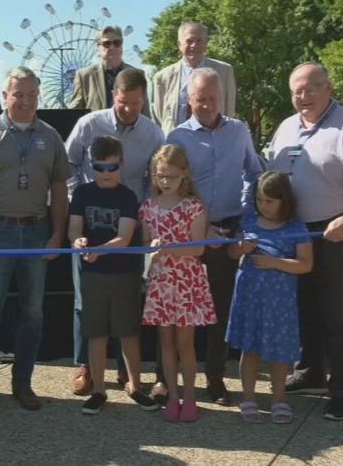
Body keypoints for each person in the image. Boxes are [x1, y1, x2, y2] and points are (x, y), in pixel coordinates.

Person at [266, 62, 343, 421]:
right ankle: (311, 371)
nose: (302, 97)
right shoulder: (287, 127)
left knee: (341, 311)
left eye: (310, 89)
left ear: (328, 88)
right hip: (295, 232)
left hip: (339, 232)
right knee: (304, 306)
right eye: (296, 91)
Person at [0, 66, 70, 418]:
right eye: (17, 94)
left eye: (30, 95)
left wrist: (57, 234)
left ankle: (22, 383)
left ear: (38, 96)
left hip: (37, 233)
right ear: (5, 96)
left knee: (32, 314)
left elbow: (59, 189)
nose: (24, 101)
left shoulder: (51, 136)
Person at [165, 67, 264, 406]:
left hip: (227, 233)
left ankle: (216, 379)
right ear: (188, 101)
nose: (206, 105)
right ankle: (169, 380)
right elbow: (171, 188)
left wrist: (247, 216)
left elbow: (254, 172)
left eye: (212, 98)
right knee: (182, 309)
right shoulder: (177, 138)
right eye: (199, 99)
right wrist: (198, 226)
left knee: (219, 310)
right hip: (189, 237)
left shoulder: (238, 131)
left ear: (221, 97)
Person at [65, 68, 164, 397]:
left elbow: (155, 178)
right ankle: (85, 367)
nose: (130, 110)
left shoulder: (153, 132)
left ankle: (126, 369)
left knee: (126, 297)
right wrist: (76, 199)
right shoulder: (90, 124)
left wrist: (146, 215)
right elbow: (67, 163)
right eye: (124, 103)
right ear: (113, 97)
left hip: (128, 222)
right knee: (85, 300)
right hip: (89, 221)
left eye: (136, 104)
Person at [69, 135, 158, 415]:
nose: (106, 174)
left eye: (112, 167)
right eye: (99, 168)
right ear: (90, 166)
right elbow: (74, 229)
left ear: (122, 165)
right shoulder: (82, 193)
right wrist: (78, 241)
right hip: (92, 275)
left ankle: (135, 386)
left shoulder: (127, 196)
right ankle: (98, 390)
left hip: (123, 274)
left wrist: (96, 250)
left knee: (127, 332)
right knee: (96, 334)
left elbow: (124, 236)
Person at [226, 172, 313, 424]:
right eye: (260, 200)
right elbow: (232, 253)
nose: (264, 206)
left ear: (284, 200)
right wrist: (240, 248)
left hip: (280, 303)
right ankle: (249, 397)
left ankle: (278, 399)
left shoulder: (296, 228)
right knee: (249, 348)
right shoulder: (249, 222)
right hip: (250, 298)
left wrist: (275, 262)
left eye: (270, 201)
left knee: (280, 353)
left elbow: (306, 264)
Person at [140, 144, 215, 423]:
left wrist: (168, 247)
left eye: (171, 176)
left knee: (186, 344)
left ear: (184, 174)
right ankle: (172, 396)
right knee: (166, 343)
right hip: (161, 282)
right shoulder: (148, 207)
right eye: (160, 176)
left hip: (187, 282)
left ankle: (190, 397)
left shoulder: (193, 207)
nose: (165, 182)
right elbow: (146, 243)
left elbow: (197, 249)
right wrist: (153, 247)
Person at [152, 22, 236, 134]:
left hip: (213, 141)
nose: (194, 46)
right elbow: (159, 115)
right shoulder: (162, 77)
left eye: (199, 41)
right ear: (179, 44)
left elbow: (228, 110)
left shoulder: (224, 72)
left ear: (206, 44)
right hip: (176, 144)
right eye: (189, 41)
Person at [68, 26, 150, 116]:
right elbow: (75, 111)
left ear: (122, 46)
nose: (112, 47)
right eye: (106, 44)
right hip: (97, 128)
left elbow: (144, 110)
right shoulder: (84, 76)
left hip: (128, 129)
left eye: (117, 43)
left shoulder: (137, 75)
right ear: (98, 48)